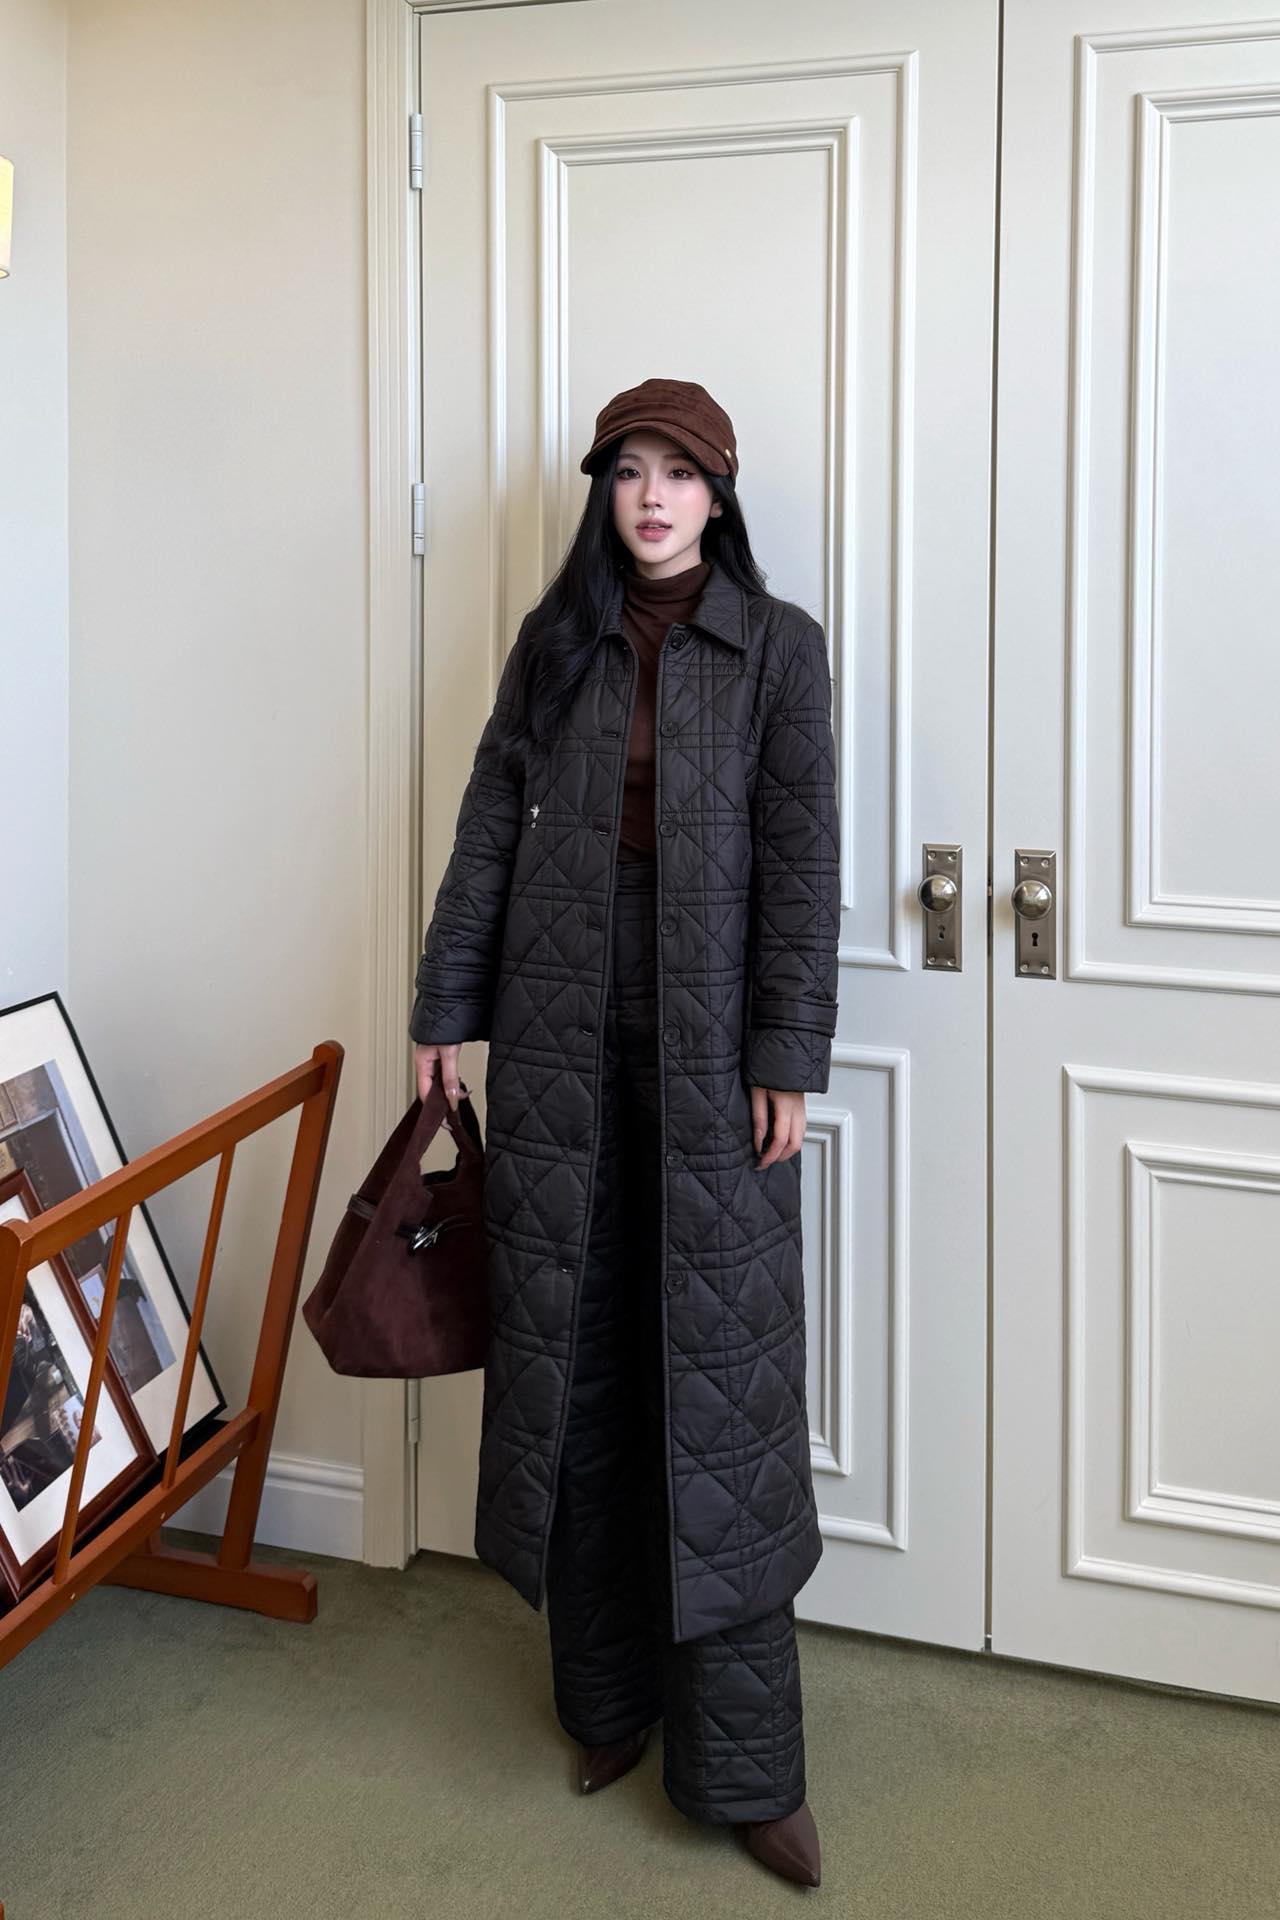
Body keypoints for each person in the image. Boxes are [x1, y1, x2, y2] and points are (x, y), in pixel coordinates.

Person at [410, 378, 839, 1889]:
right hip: (557, 1039)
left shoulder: (780, 649)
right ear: (606, 491)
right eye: (629, 472)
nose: (651, 498)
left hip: (715, 1054)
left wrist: (788, 1051)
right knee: (578, 1359)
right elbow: (488, 828)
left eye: (679, 474)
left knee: (718, 1384)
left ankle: (748, 1767)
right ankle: (604, 1704)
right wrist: (442, 1005)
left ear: (721, 496)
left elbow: (801, 863)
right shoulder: (558, 642)